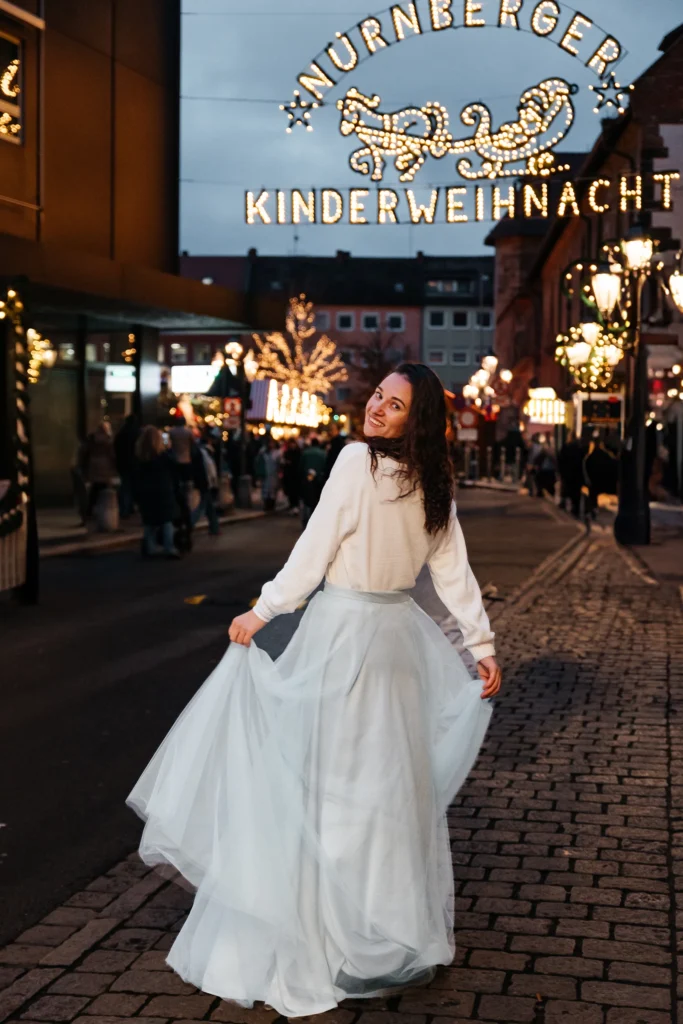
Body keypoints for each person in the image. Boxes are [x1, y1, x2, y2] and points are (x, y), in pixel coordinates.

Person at [127, 363, 502, 1017]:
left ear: (417, 420)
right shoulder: (431, 479)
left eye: (394, 404)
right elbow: (450, 570)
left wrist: (263, 610)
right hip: (394, 641)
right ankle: (378, 931)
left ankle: (324, 934)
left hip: (344, 635)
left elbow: (315, 548)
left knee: (328, 783)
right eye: (377, 397)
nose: (376, 410)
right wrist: (480, 643)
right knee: (385, 793)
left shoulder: (359, 462)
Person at [134, 426, 180, 558]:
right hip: (163, 491)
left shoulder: (141, 459)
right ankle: (169, 547)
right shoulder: (163, 457)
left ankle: (150, 548)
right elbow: (174, 470)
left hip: (146, 492)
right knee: (166, 521)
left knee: (150, 522)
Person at [83, 421, 117, 519]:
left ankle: (90, 510)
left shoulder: (92, 440)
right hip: (105, 467)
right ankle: (103, 512)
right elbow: (112, 456)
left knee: (95, 490)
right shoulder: (107, 441)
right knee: (105, 491)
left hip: (94, 466)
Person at [192, 435, 220, 535]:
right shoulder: (205, 453)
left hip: (204, 482)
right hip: (206, 482)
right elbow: (210, 469)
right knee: (203, 506)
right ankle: (190, 524)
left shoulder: (200, 452)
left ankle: (215, 527)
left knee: (209, 507)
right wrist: (213, 482)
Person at [114, 415, 140, 519]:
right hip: (134, 463)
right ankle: (127, 508)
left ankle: (125, 508)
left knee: (125, 485)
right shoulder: (137, 433)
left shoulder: (121, 433)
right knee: (131, 486)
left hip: (123, 463)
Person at [299, 436, 327, 526]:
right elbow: (326, 467)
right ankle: (315, 521)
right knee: (316, 501)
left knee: (306, 501)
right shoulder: (323, 454)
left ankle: (305, 519)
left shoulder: (305, 453)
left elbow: (300, 467)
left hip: (306, 479)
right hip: (319, 480)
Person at [557, 432, 585, 518]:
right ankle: (576, 510)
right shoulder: (580, 448)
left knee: (567, 489)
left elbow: (561, 460)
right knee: (577, 493)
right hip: (578, 473)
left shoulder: (566, 447)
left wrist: (561, 472)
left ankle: (565, 504)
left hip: (568, 473)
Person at [254, 437, 281, 511]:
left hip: (274, 474)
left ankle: (271, 504)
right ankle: (266, 504)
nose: (271, 444)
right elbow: (258, 461)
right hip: (265, 474)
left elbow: (279, 463)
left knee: (273, 489)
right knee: (265, 489)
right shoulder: (263, 451)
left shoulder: (277, 452)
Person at [280, 437, 302, 514]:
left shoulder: (298, 452)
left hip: (295, 475)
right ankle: (292, 505)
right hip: (289, 475)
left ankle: (295, 506)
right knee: (290, 491)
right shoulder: (287, 453)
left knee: (295, 492)